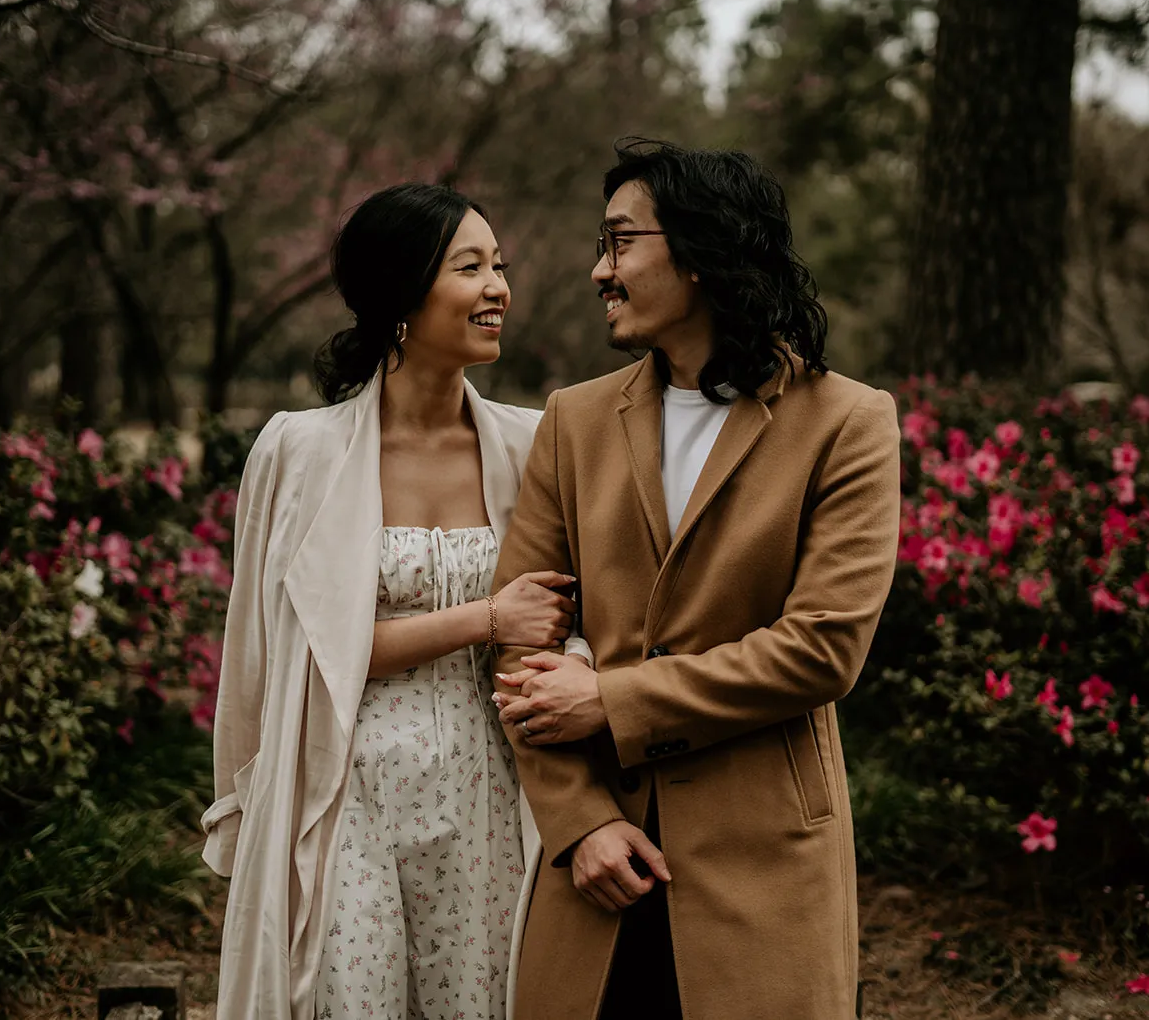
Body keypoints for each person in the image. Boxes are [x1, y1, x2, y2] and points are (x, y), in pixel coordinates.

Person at [489, 139, 903, 1020]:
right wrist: (580, 824)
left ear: (705, 251)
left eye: (621, 242)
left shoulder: (850, 424)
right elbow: (518, 642)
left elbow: (822, 650)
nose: (600, 270)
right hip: (598, 874)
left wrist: (615, 699)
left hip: (765, 865)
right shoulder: (574, 419)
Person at [202, 183, 587, 1020]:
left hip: (488, 788)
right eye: (470, 266)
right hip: (345, 785)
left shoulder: (535, 443)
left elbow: (576, 619)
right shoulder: (298, 452)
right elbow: (285, 646)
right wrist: (486, 619)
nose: (499, 289)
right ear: (402, 295)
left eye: (500, 266)